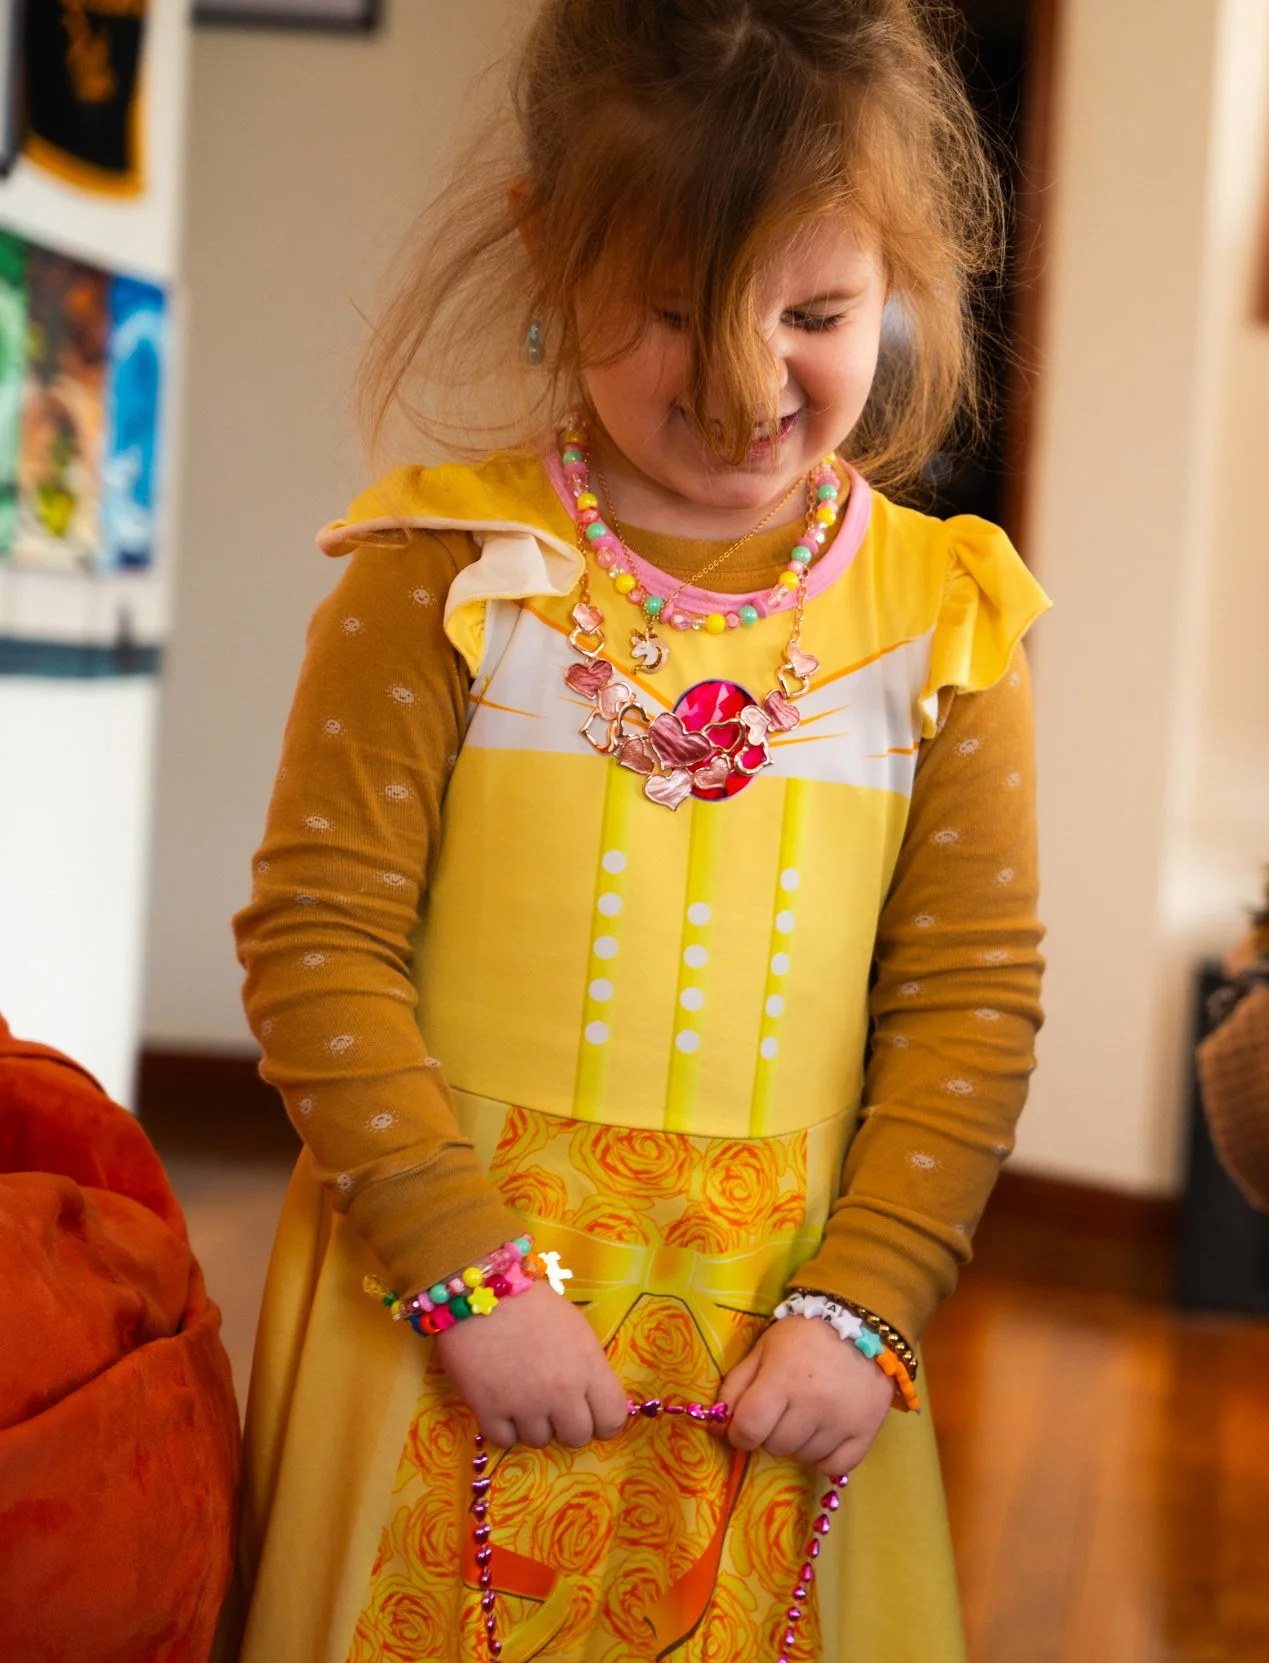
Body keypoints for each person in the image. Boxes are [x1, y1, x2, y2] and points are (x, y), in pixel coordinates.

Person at [224, 3, 1044, 1657]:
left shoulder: (945, 622)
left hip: (782, 1332)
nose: (747, 384)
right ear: (552, 248)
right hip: (437, 1309)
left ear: (897, 275)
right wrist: (465, 1277)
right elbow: (318, 947)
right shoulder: (440, 578)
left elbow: (970, 1005)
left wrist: (864, 1304)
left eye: (815, 314)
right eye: (675, 312)